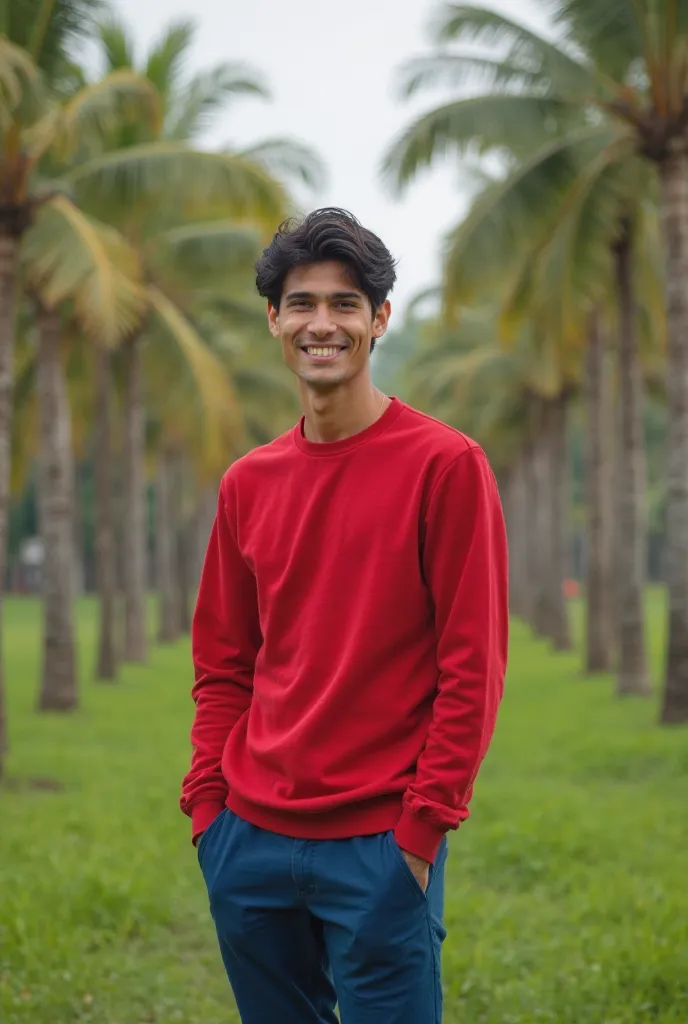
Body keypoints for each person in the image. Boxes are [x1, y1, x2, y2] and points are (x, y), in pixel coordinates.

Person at [180, 207, 509, 1024]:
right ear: (273, 320)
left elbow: (473, 667)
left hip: (380, 847)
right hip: (247, 841)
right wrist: (208, 814)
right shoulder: (247, 483)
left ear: (379, 319)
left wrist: (421, 832)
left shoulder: (446, 466)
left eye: (344, 303)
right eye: (301, 303)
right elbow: (225, 663)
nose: (321, 323)